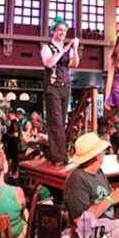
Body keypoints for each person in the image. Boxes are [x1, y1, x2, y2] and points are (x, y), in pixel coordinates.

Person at [63, 132, 119, 220]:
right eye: (102, 150)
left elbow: (106, 198)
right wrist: (111, 199)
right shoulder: (77, 179)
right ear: (96, 155)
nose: (104, 153)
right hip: (92, 231)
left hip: (108, 227)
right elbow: (81, 220)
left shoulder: (98, 172)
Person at [41, 16, 80, 165]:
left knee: (61, 122)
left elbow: (75, 64)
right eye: (59, 30)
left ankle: (58, 154)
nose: (62, 33)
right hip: (52, 87)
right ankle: (59, 157)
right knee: (55, 122)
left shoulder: (67, 49)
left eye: (64, 30)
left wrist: (75, 49)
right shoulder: (47, 48)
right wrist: (64, 48)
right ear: (54, 31)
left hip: (65, 86)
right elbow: (49, 63)